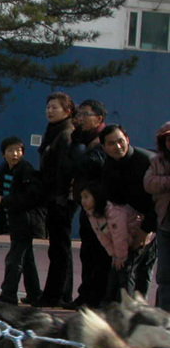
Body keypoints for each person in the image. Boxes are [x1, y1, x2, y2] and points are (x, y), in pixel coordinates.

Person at [100, 123, 157, 298]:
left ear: (127, 140)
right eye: (111, 143)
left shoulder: (147, 161)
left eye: (120, 141)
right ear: (103, 147)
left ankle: (139, 313)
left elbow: (159, 200)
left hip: (154, 221)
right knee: (127, 269)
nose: (117, 147)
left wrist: (146, 229)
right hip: (130, 223)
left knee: (144, 270)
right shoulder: (108, 165)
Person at [0, 136, 46, 305]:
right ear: (4, 153)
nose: (15, 154)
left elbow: (29, 198)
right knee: (27, 260)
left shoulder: (26, 170)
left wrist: (3, 201)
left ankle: (8, 295)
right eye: (11, 150)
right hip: (14, 221)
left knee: (14, 259)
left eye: (18, 150)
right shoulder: (3, 169)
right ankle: (35, 294)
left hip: (26, 222)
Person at [66, 99, 109, 308]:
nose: (80, 119)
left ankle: (96, 298)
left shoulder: (104, 140)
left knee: (100, 253)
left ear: (99, 118)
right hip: (86, 203)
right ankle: (86, 295)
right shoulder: (82, 139)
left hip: (102, 206)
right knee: (87, 252)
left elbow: (88, 164)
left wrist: (78, 146)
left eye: (85, 115)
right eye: (79, 114)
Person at [81, 181, 153, 302]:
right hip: (124, 245)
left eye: (87, 197)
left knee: (128, 272)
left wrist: (121, 257)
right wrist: (113, 255)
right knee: (115, 273)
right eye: (82, 197)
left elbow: (120, 236)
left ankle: (129, 307)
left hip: (139, 240)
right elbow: (103, 238)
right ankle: (111, 304)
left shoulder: (114, 212)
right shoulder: (92, 215)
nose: (83, 201)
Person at [37, 91, 77, 307]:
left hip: (61, 198)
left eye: (55, 107)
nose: (50, 111)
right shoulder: (53, 131)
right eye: (48, 107)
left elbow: (63, 170)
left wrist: (59, 196)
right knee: (58, 247)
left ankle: (57, 294)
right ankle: (58, 293)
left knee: (60, 247)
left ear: (68, 111)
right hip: (54, 196)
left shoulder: (66, 134)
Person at [144, 122, 170, 311]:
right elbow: (149, 183)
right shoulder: (157, 161)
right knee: (164, 274)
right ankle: (164, 313)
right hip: (165, 223)